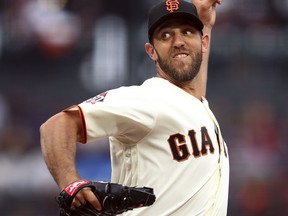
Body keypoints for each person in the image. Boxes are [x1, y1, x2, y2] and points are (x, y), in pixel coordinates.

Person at [40, 0, 229, 215]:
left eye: (187, 32)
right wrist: (71, 184)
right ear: (151, 51)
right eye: (165, 35)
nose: (178, 42)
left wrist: (204, 21)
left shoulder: (194, 104)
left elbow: (192, 88)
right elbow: (56, 126)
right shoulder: (147, 99)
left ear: (203, 42)